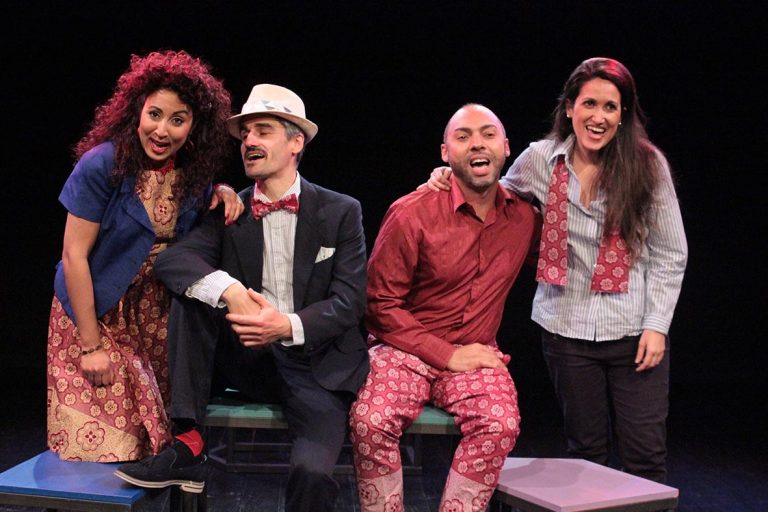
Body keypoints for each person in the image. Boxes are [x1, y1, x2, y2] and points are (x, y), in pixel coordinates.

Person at [428, 58, 688, 482]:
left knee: (645, 456)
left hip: (634, 331)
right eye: (589, 104)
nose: (598, 117)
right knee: (586, 452)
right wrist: (448, 176)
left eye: (610, 107)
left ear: (623, 115)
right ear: (570, 108)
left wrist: (657, 326)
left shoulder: (647, 165)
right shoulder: (542, 159)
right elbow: (492, 193)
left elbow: (670, 252)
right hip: (565, 329)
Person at [114, 84, 369, 508]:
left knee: (312, 472)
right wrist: (230, 290)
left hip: (316, 368)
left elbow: (349, 302)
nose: (249, 141)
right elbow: (173, 262)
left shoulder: (341, 211)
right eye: (246, 133)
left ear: (296, 143)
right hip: (248, 362)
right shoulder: (230, 210)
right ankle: (188, 443)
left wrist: (285, 325)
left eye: (263, 131)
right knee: (195, 293)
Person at [46, 50, 244, 463]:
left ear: (194, 126)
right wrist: (90, 346)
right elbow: (73, 256)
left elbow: (197, 217)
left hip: (154, 318)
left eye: (178, 119)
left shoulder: (193, 173)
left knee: (155, 444)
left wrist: (223, 190)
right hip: (95, 312)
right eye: (154, 114)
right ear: (137, 111)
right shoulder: (103, 165)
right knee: (104, 447)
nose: (162, 130)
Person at [350, 104, 537, 511]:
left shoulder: (524, 218)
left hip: (476, 350)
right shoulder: (411, 212)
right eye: (463, 136)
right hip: (403, 348)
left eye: (488, 134)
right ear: (445, 153)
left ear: (506, 147)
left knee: (500, 423)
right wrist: (446, 354)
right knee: (370, 420)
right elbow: (378, 304)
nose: (477, 144)